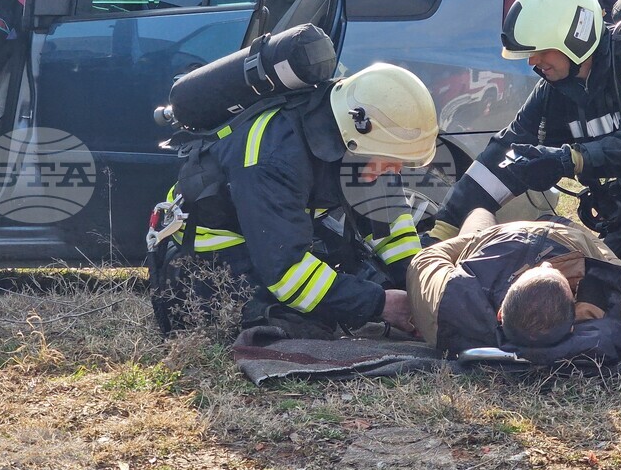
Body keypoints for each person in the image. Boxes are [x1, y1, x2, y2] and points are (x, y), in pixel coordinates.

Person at [149, 62, 439, 337]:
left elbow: (390, 229)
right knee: (304, 321)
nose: (396, 169)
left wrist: (417, 284)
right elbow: (287, 273)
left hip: (268, 239)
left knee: (363, 284)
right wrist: (382, 305)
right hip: (209, 264)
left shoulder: (359, 140)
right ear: (356, 138)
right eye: (391, 159)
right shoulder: (273, 157)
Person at [427, 0, 621, 263]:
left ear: (576, 36)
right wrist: (442, 228)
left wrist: (573, 158)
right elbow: (502, 156)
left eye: (541, 49)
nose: (532, 61)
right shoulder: (554, 93)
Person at [407, 207, 621, 364]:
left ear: (499, 314)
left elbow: (427, 258)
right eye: (555, 274)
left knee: (480, 211)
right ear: (573, 321)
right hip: (566, 233)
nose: (545, 264)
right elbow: (611, 262)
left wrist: (478, 239)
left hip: (491, 238)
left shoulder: (451, 304)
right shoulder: (613, 309)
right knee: (553, 218)